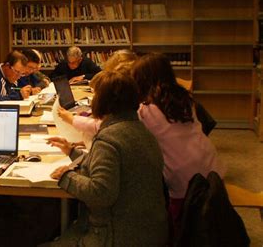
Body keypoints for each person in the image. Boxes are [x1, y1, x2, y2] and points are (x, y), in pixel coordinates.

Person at [43, 69, 168, 246]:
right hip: (149, 230)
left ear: (103, 101)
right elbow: (117, 166)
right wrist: (72, 152)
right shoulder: (141, 130)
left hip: (117, 235)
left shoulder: (108, 138)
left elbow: (100, 194)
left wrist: (66, 177)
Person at [131, 53, 226, 235]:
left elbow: (120, 126)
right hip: (209, 163)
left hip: (183, 177)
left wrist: (73, 120)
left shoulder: (146, 111)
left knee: (181, 223)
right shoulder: (183, 98)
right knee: (210, 211)